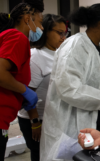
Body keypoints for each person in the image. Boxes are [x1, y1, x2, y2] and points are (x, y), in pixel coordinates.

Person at [40, 3, 100, 161]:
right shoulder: (75, 46)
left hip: (98, 125)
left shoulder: (98, 48)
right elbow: (68, 88)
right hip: (74, 128)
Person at [0, 0, 44, 160]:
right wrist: (24, 90)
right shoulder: (18, 37)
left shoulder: (9, 36)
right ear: (27, 19)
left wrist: (19, 94)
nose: (40, 29)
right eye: (39, 23)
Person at [17, 14, 67, 161]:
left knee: (53, 154)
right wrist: (35, 122)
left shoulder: (58, 53)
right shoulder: (36, 57)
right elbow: (27, 93)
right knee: (40, 155)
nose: (63, 37)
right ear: (45, 31)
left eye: (65, 33)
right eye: (59, 33)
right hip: (36, 120)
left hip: (53, 117)